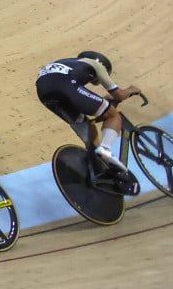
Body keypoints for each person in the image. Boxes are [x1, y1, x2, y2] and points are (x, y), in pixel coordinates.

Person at [35, 51, 142, 192]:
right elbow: (119, 95)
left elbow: (71, 89)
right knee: (113, 116)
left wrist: (103, 103)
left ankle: (97, 165)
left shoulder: (67, 61)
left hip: (44, 94)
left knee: (87, 126)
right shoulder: (96, 64)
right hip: (67, 86)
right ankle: (105, 149)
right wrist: (131, 89)